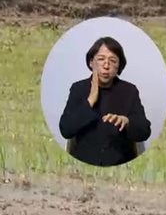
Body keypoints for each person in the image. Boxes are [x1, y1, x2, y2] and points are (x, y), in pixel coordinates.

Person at [58, 36, 151, 167]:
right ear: (91, 62)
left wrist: (127, 122)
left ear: (119, 66)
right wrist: (90, 100)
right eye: (101, 59)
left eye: (112, 61)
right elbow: (66, 130)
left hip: (120, 163)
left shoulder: (129, 90)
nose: (106, 65)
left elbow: (144, 131)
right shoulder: (78, 88)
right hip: (82, 164)